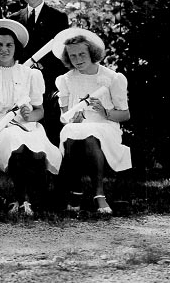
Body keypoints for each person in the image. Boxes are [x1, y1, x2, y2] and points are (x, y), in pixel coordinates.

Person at [0, 19, 62, 218]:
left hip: (27, 126)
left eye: (9, 45)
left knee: (35, 150)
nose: (4, 49)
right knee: (16, 144)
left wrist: (29, 115)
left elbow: (39, 111)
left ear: (16, 47)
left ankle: (28, 199)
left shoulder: (30, 74)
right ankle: (20, 199)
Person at [53, 28, 131, 216]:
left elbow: (125, 115)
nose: (78, 60)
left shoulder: (112, 78)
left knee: (90, 135)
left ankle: (98, 193)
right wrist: (73, 120)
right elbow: (65, 117)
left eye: (82, 54)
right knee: (72, 132)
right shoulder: (65, 80)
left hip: (106, 126)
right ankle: (76, 189)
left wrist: (104, 111)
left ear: (92, 53)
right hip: (77, 127)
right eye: (73, 56)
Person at [7, 0, 69, 143]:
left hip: (49, 81)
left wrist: (42, 67)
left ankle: (54, 162)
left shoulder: (58, 18)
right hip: (22, 80)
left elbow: (61, 51)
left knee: (50, 123)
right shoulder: (14, 18)